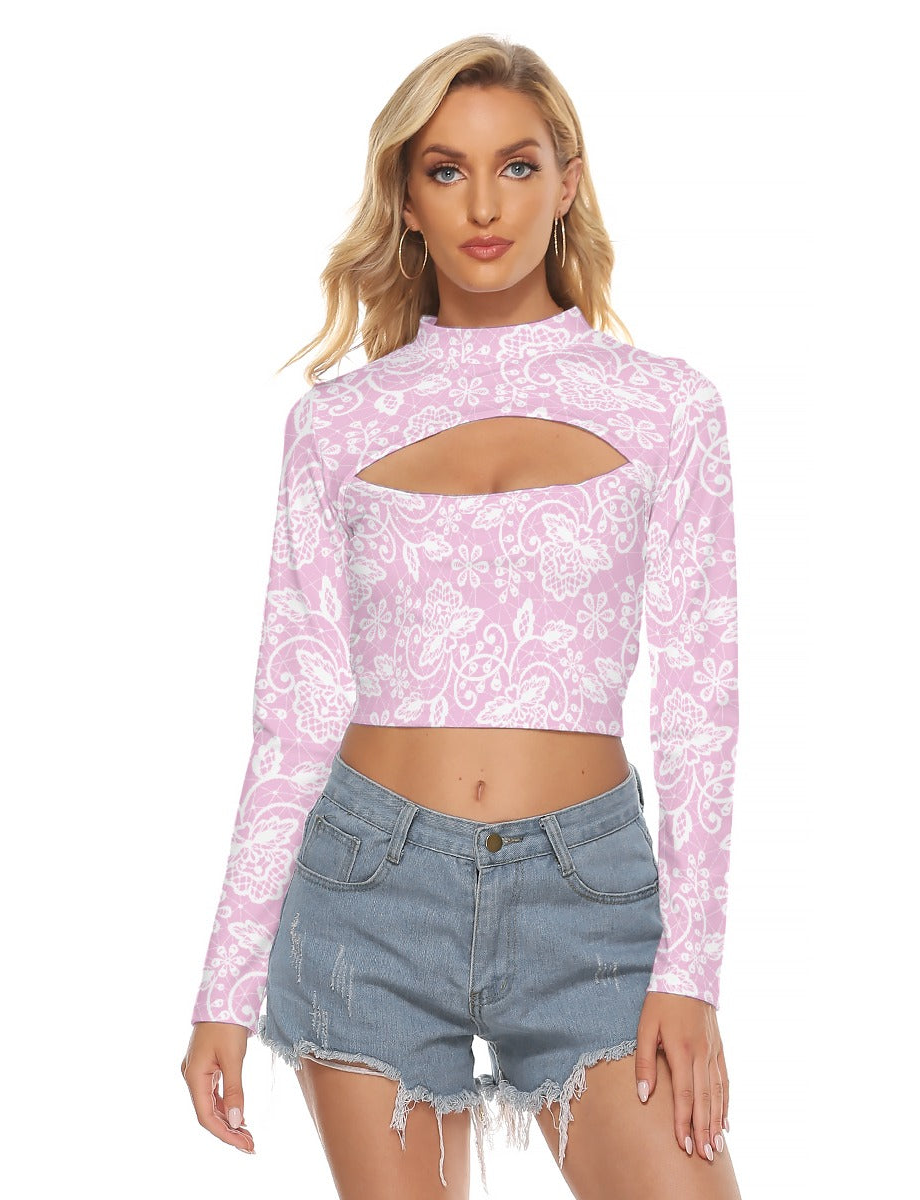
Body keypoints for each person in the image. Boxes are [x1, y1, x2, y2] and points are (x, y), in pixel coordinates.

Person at [181, 34, 743, 1200]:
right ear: (407, 198)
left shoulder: (667, 407)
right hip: (367, 892)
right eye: (447, 170)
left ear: (568, 182)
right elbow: (294, 712)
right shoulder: (335, 424)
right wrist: (225, 989)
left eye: (518, 166)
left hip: (589, 903)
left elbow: (701, 703)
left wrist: (690, 973)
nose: (485, 205)